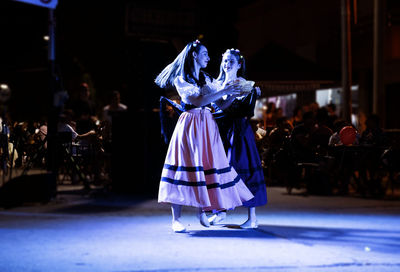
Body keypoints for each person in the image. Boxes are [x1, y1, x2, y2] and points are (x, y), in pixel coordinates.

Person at [155, 40, 254, 233]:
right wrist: (223, 91)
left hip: (207, 125)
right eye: (205, 54)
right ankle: (176, 218)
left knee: (207, 166)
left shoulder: (207, 79)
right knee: (184, 166)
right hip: (190, 124)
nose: (209, 57)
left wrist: (233, 94)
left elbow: (220, 106)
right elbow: (197, 100)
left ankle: (202, 211)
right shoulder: (182, 78)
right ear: (194, 55)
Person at [208, 48, 267, 229]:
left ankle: (252, 217)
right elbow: (219, 106)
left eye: (231, 61)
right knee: (220, 171)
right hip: (221, 130)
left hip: (239, 131)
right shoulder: (216, 84)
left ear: (239, 64)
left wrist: (251, 93)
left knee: (246, 170)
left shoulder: (244, 84)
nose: (227, 64)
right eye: (225, 60)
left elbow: (243, 109)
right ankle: (220, 211)